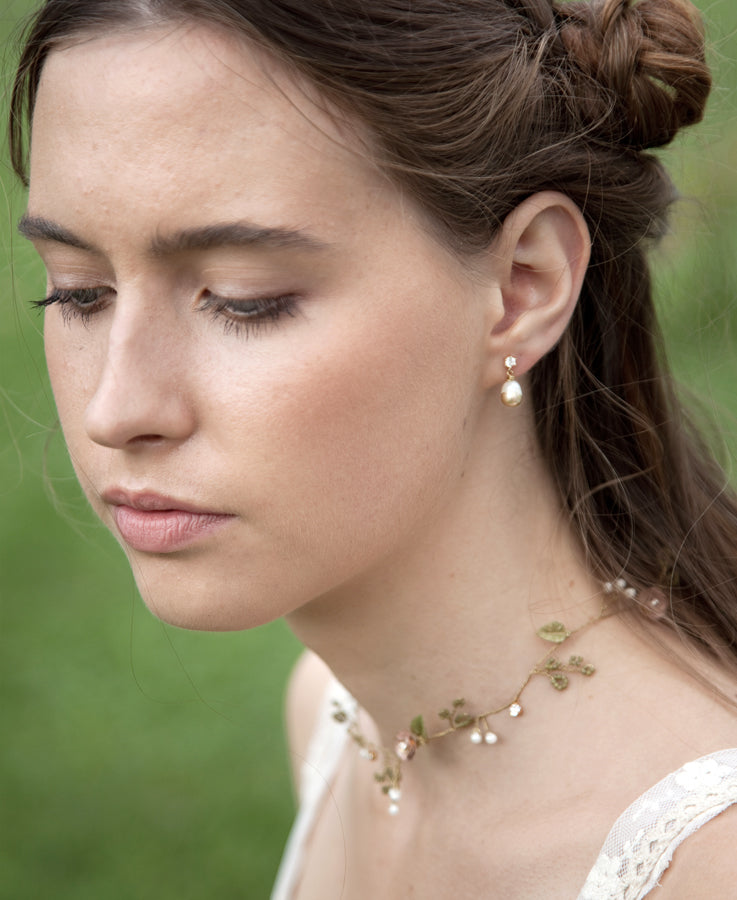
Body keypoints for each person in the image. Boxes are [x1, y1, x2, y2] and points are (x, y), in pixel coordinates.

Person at [9, 0, 737, 896]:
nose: (116, 409)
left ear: (521, 288)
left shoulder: (706, 863)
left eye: (244, 297)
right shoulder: (334, 718)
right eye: (79, 292)